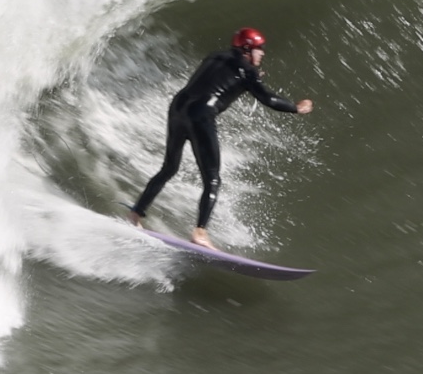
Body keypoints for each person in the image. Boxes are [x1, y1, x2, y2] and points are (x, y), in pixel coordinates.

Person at [128, 27, 313, 248]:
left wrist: (248, 78)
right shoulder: (248, 71)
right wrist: (296, 107)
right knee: (213, 179)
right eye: (259, 48)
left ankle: (135, 215)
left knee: (169, 168)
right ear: (247, 48)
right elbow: (268, 99)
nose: (262, 53)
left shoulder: (215, 55)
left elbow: (218, 78)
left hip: (178, 108)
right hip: (201, 115)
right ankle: (200, 233)